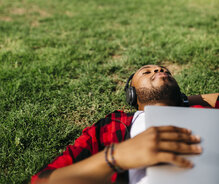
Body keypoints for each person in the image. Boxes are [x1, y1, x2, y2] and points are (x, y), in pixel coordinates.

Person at [31, 65, 219, 184]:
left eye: (165, 71)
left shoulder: (200, 112)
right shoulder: (111, 126)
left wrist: (182, 101)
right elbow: (43, 180)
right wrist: (115, 158)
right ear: (132, 94)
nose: (159, 71)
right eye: (147, 72)